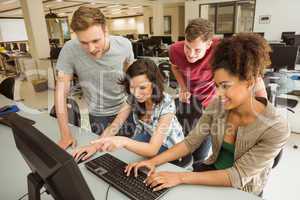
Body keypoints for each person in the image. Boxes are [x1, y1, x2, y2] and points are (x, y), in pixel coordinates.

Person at [125, 33, 290, 196]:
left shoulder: (276, 128)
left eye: (225, 86)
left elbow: (238, 176)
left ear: (250, 82)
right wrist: (152, 162)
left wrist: (180, 177)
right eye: (217, 85)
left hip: (243, 189)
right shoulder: (218, 106)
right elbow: (190, 143)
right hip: (211, 171)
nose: (218, 93)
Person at [169, 18, 267, 162]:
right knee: (188, 141)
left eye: (197, 50)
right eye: (187, 47)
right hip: (192, 99)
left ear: (209, 44)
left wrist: (262, 107)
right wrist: (183, 87)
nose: (190, 54)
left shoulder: (221, 48)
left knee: (204, 147)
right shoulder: (174, 49)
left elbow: (254, 75)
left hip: (213, 99)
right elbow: (175, 67)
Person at [55, 6, 134, 149]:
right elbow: (61, 93)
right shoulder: (69, 49)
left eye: (95, 41)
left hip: (125, 109)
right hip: (97, 114)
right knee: (102, 156)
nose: (91, 49)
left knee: (127, 155)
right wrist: (65, 134)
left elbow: (132, 84)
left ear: (106, 31)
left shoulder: (124, 46)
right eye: (84, 43)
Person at [73, 59, 184, 160]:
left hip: (169, 146)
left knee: (128, 157)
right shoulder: (132, 98)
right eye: (132, 87)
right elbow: (114, 126)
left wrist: (124, 141)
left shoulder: (167, 104)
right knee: (121, 155)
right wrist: (94, 146)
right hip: (148, 135)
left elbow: (152, 149)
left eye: (142, 87)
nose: (136, 94)